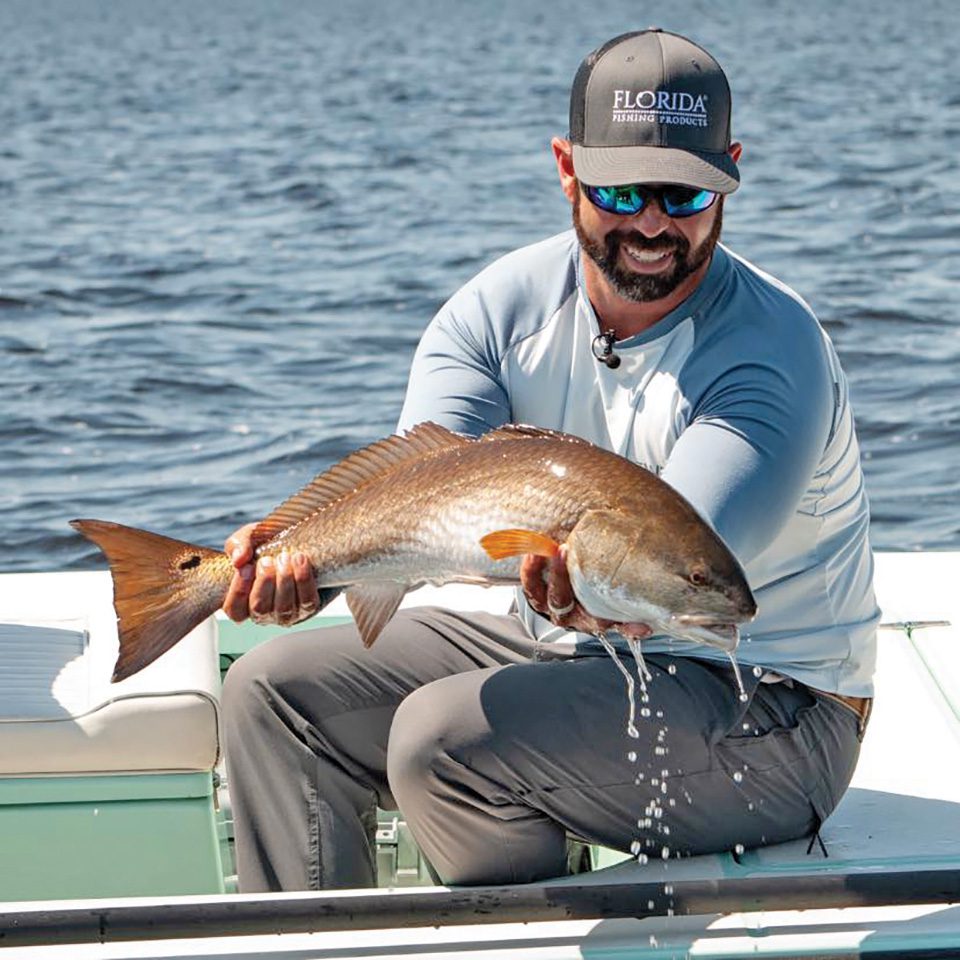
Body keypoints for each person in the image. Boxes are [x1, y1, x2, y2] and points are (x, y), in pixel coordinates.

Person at [220, 28, 879, 892]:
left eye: (685, 195)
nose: (651, 222)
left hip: (776, 705)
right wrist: (306, 562)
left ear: (731, 175)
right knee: (272, 691)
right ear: (566, 167)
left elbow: (689, 560)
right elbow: (417, 492)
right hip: (566, 649)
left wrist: (577, 588)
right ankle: (316, 949)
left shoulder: (769, 351)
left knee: (442, 739)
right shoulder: (493, 314)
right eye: (620, 188)